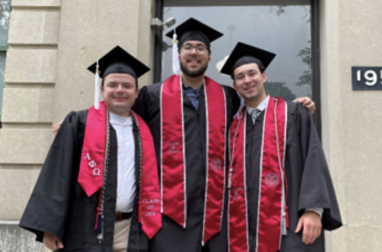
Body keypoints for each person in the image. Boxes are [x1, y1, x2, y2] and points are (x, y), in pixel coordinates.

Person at [52, 18, 316, 252]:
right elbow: (121, 115)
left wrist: (295, 107)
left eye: (200, 48)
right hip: (169, 215)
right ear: (178, 54)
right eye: (188, 47)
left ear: (209, 57)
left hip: (219, 213)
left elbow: (258, 116)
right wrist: (83, 121)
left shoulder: (227, 96)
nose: (194, 52)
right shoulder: (152, 95)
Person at [19, 46, 162, 252]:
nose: (120, 90)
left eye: (127, 86)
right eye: (112, 85)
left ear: (137, 92)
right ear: (102, 89)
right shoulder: (79, 123)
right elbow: (57, 174)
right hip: (88, 227)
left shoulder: (145, 129)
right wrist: (49, 228)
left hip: (132, 229)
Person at [220, 42, 342, 252]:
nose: (247, 81)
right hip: (243, 229)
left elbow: (313, 159)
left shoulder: (292, 114)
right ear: (235, 85)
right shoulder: (232, 127)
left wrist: (314, 210)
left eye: (252, 74)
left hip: (289, 223)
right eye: (240, 77)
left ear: (264, 77)